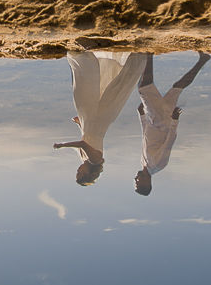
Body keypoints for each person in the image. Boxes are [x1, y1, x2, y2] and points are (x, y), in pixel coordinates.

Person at [53, 51, 144, 185]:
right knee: (100, 91)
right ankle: (85, 58)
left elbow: (85, 138)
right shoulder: (96, 160)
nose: (78, 170)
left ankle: (83, 58)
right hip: (98, 120)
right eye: (80, 173)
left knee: (83, 92)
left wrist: (79, 124)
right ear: (88, 173)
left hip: (89, 121)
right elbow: (84, 144)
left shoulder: (84, 159)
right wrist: (62, 145)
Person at [133, 51, 211, 196]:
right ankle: (148, 52)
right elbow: (169, 141)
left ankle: (203, 59)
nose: (135, 179)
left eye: (135, 182)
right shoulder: (157, 165)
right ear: (147, 183)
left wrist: (142, 116)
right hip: (160, 119)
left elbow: (146, 137)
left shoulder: (144, 164)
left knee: (177, 87)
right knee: (144, 87)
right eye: (138, 183)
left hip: (154, 120)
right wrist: (175, 120)